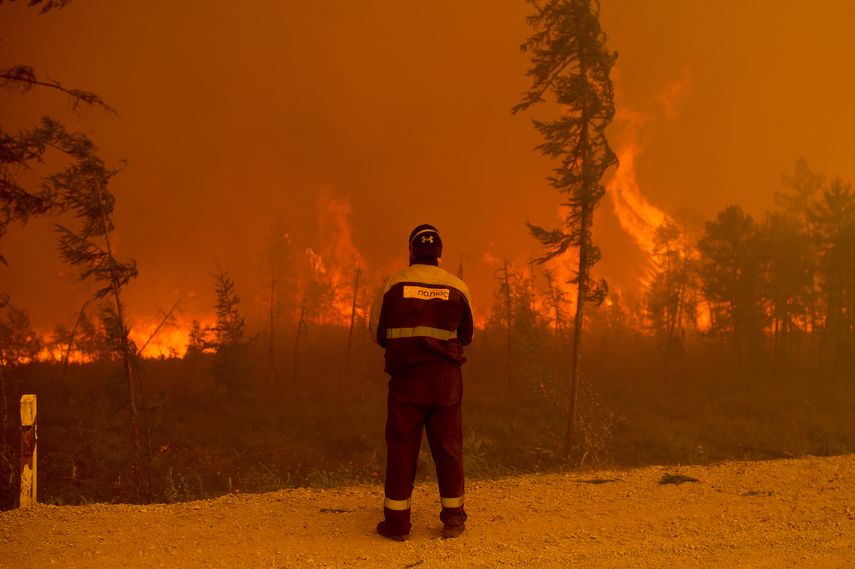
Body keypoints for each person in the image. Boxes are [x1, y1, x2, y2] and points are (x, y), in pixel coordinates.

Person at [369, 224, 474, 541]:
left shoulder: (393, 284)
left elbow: (378, 333)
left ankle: (398, 525)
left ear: (411, 251)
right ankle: (453, 519)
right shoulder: (458, 287)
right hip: (446, 384)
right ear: (439, 255)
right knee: (449, 448)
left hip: (406, 383)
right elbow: (467, 336)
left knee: (401, 449)